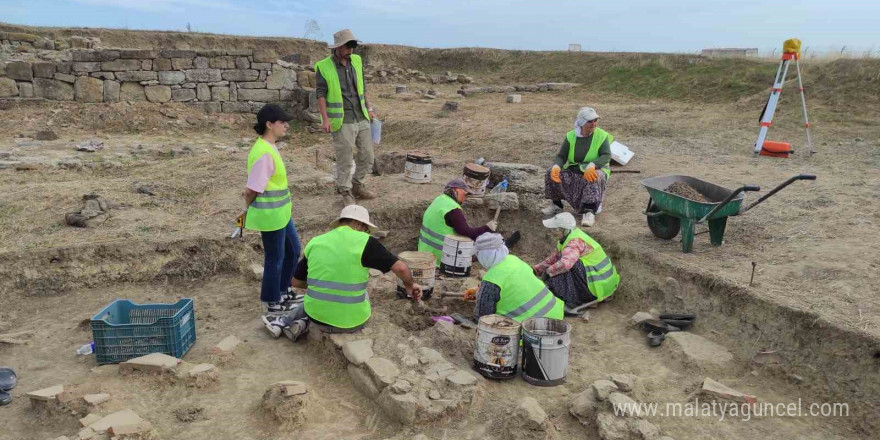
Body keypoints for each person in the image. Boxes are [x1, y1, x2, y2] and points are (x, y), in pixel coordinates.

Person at [262, 205, 422, 340]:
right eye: (366, 229)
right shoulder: (366, 242)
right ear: (359, 224)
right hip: (351, 323)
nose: (366, 233)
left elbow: (296, 282)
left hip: (316, 317)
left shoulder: (316, 242)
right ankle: (299, 323)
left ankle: (289, 321)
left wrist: (319, 285)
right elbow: (401, 268)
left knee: (316, 296)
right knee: (362, 294)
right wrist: (409, 285)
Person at [240, 104, 301, 315]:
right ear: (268, 124)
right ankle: (271, 300)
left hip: (282, 213)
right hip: (271, 216)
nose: (286, 126)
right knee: (275, 258)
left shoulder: (270, 146)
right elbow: (251, 190)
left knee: (293, 251)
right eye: (282, 122)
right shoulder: (263, 153)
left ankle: (283, 290)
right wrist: (246, 209)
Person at [315, 29, 378, 206]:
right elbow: (320, 94)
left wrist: (369, 108)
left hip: (361, 116)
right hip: (342, 121)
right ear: (338, 47)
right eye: (348, 46)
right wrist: (325, 119)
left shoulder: (356, 61)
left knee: (367, 156)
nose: (351, 50)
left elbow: (362, 87)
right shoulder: (324, 66)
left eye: (353, 46)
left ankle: (357, 185)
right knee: (345, 159)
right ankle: (345, 191)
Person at [533, 213, 619, 314]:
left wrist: (548, 272)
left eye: (555, 229)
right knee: (560, 261)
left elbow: (565, 264)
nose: (551, 232)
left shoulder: (574, 242)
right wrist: (536, 269)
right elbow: (553, 258)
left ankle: (571, 302)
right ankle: (578, 297)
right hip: (601, 283)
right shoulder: (567, 237)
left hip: (599, 286)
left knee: (564, 265)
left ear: (564, 230)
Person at [543, 106, 615, 227]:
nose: (594, 123)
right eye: (590, 121)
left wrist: (593, 165)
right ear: (581, 122)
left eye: (595, 120)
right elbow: (561, 156)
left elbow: (606, 155)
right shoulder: (571, 136)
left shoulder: (601, 135)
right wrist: (557, 166)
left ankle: (589, 212)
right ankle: (556, 205)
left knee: (592, 177)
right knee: (551, 173)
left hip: (597, 169)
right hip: (575, 169)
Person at [472, 233, 563, 322]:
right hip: (554, 313)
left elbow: (483, 318)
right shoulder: (513, 259)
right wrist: (480, 291)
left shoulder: (491, 279)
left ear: (484, 255)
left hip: (534, 327)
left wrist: (481, 295)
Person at [418, 179, 497, 265]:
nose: (465, 198)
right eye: (464, 193)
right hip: (442, 258)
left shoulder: (438, 200)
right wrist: (487, 228)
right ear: (456, 190)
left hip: (424, 253)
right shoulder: (453, 208)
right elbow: (465, 232)